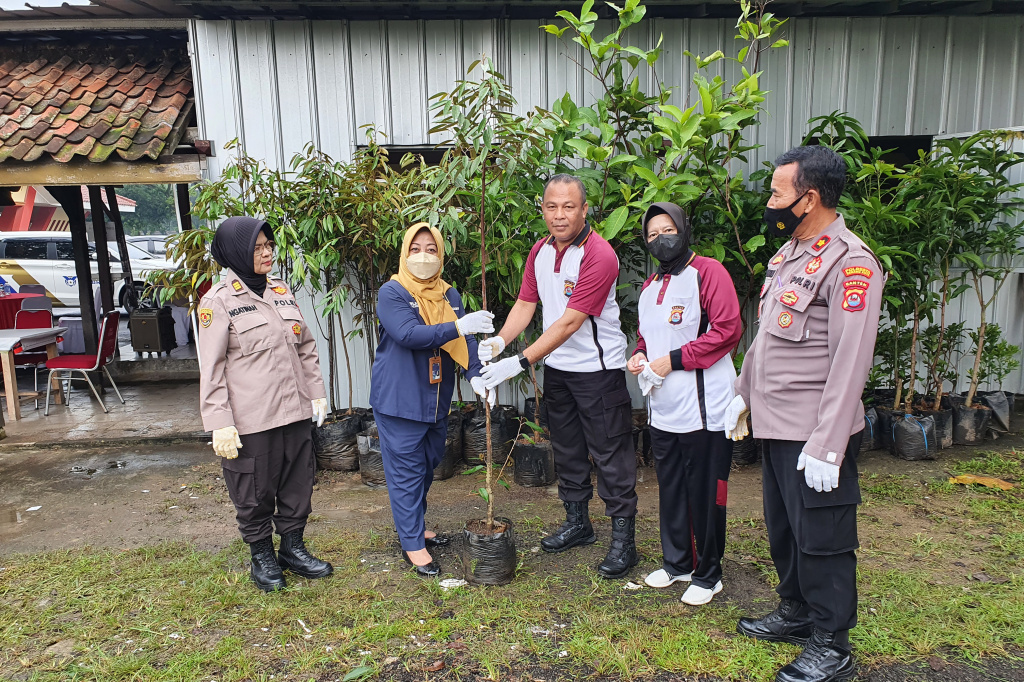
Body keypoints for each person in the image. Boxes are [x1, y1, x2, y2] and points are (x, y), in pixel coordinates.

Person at [726, 146, 883, 682]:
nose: (770, 203)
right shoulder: (790, 253)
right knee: (785, 530)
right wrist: (744, 391)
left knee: (823, 539)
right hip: (775, 424)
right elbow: (767, 337)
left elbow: (850, 359)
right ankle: (795, 611)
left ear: (808, 197)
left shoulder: (851, 262)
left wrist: (829, 442)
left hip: (814, 431)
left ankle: (831, 641)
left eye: (777, 193)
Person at [480, 174, 639, 579]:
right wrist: (499, 342)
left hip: (598, 372)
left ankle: (624, 540)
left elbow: (570, 323)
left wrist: (518, 361)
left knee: (610, 455)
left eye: (569, 206)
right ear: (543, 209)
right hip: (560, 372)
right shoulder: (540, 250)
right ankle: (578, 523)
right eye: (551, 207)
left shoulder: (599, 254)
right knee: (567, 450)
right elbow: (525, 304)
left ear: (585, 210)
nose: (559, 215)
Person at [198, 216, 333, 592]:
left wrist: (316, 392)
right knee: (253, 489)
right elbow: (211, 369)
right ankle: (262, 555)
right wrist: (219, 421)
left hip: (294, 410)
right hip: (251, 419)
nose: (267, 252)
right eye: (257, 247)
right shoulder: (217, 302)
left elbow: (305, 346)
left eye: (269, 245)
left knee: (297, 483)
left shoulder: (280, 291)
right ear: (236, 252)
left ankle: (292, 548)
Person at [627, 202, 743, 606]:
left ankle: (709, 573)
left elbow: (728, 331)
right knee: (672, 487)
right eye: (652, 234)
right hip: (663, 407)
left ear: (684, 229)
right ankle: (678, 563)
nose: (661, 239)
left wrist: (672, 360)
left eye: (667, 229)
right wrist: (640, 355)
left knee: (706, 491)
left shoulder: (708, 272)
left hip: (705, 407)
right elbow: (648, 337)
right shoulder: (649, 285)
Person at [369, 223, 494, 577]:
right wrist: (459, 327)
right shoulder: (392, 292)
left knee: (426, 467)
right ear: (404, 253)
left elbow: (464, 343)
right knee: (406, 472)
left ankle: (414, 525)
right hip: (400, 400)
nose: (423, 256)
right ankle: (412, 543)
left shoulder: (448, 294)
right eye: (416, 249)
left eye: (431, 249)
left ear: (441, 254)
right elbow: (409, 334)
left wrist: (477, 376)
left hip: (436, 400)